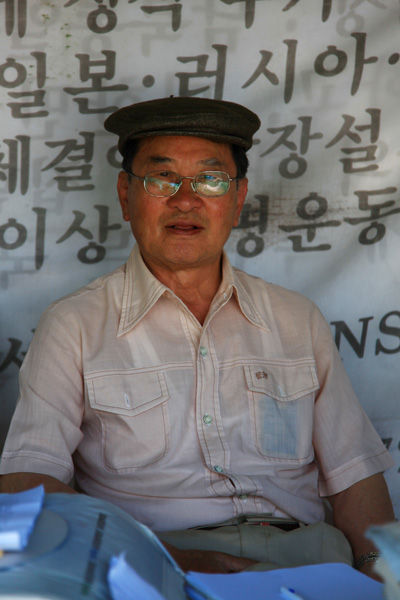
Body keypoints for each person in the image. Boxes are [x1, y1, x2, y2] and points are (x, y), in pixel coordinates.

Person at [0, 97, 394, 577]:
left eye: (210, 180)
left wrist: (379, 572)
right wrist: (171, 560)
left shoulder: (296, 319)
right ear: (125, 195)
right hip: (155, 565)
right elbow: (27, 480)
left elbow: (355, 476)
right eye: (162, 178)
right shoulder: (74, 325)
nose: (185, 200)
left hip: (305, 560)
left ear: (238, 199)